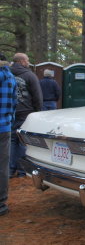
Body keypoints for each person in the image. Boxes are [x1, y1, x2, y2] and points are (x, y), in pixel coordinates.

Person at [10, 53, 42, 178]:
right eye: (27, 60)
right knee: (24, 141)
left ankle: (10, 169)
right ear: (22, 61)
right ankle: (23, 170)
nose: (28, 63)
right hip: (26, 113)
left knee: (12, 141)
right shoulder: (30, 75)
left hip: (10, 112)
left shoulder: (7, 74)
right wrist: (38, 112)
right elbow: (37, 96)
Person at [0, 53, 17, 216]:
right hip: (4, 128)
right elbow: (14, 104)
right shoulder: (10, 77)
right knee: (2, 165)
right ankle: (1, 203)